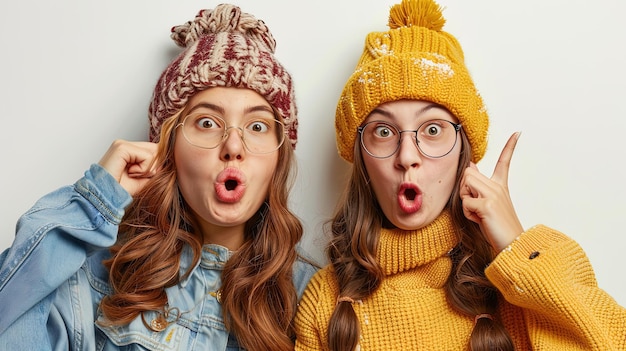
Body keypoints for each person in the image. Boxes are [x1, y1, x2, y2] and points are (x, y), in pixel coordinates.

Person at [294, 0, 626, 350]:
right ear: (361, 157)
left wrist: (517, 245)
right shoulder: (326, 300)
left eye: (433, 130)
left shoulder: (514, 287)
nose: (407, 157)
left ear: (463, 153)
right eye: (384, 131)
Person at [0, 3, 319, 350]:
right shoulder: (98, 278)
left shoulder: (312, 297)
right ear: (169, 148)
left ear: (279, 156)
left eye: (257, 126)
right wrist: (92, 203)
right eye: (207, 123)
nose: (232, 146)